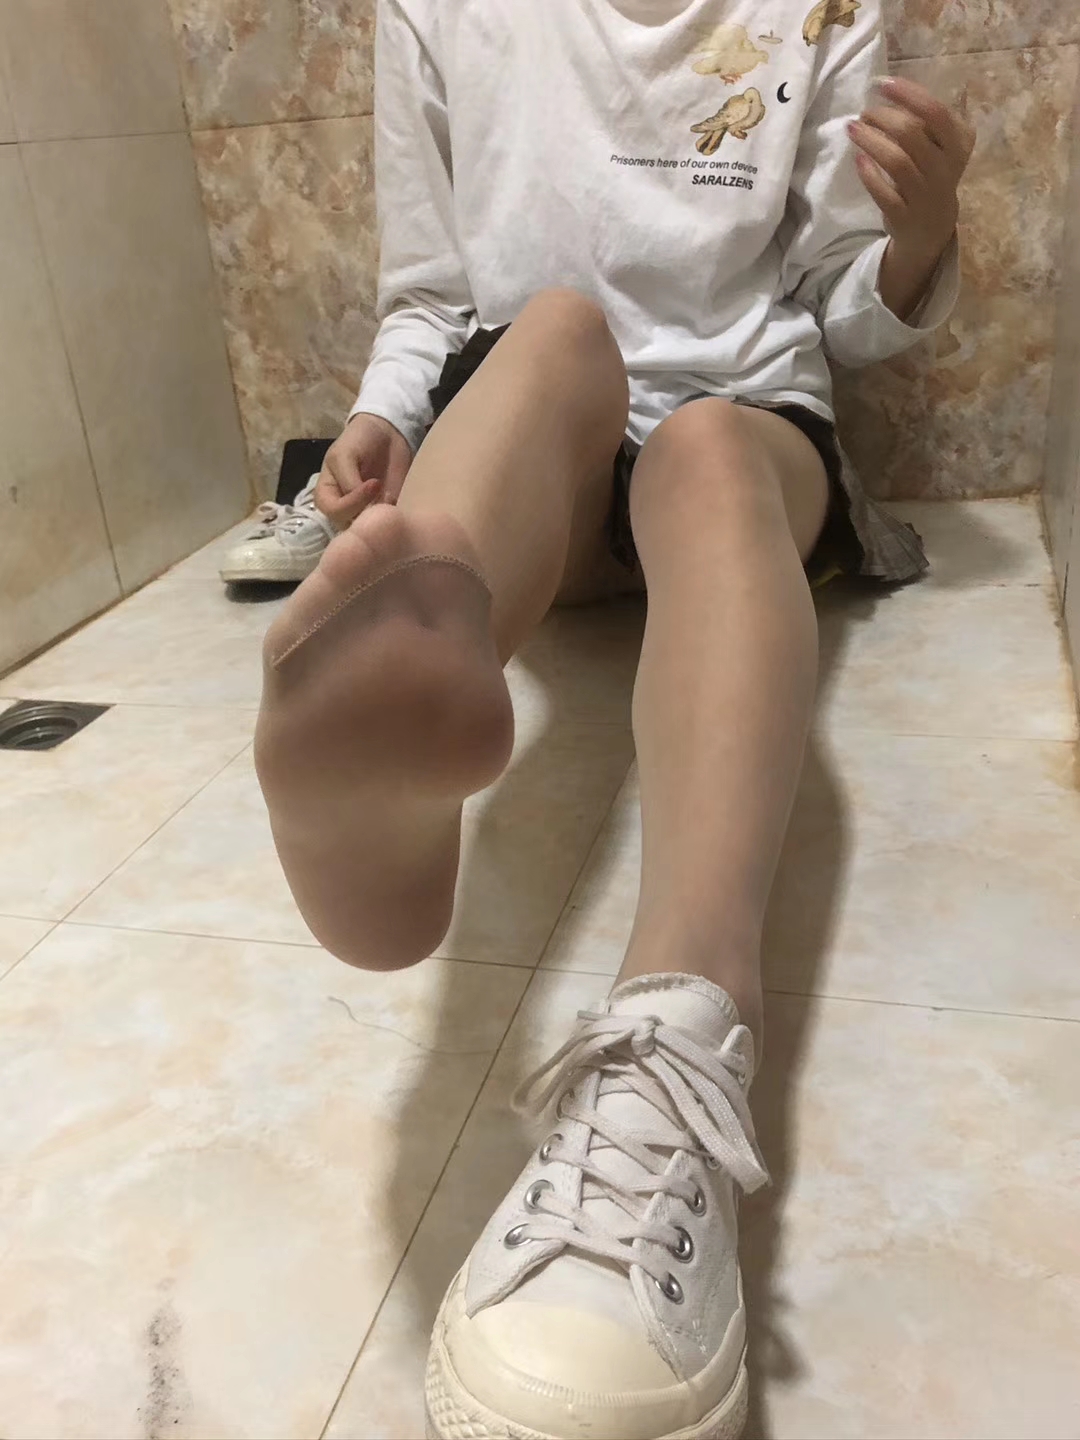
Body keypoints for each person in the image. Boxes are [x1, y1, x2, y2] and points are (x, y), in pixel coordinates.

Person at [255, 1, 974, 1434]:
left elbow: (839, 304)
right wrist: (383, 418)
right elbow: (429, 295)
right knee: (552, 331)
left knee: (703, 450)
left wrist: (917, 240)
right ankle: (418, 654)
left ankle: (680, 1027)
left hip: (743, 423)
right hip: (550, 443)